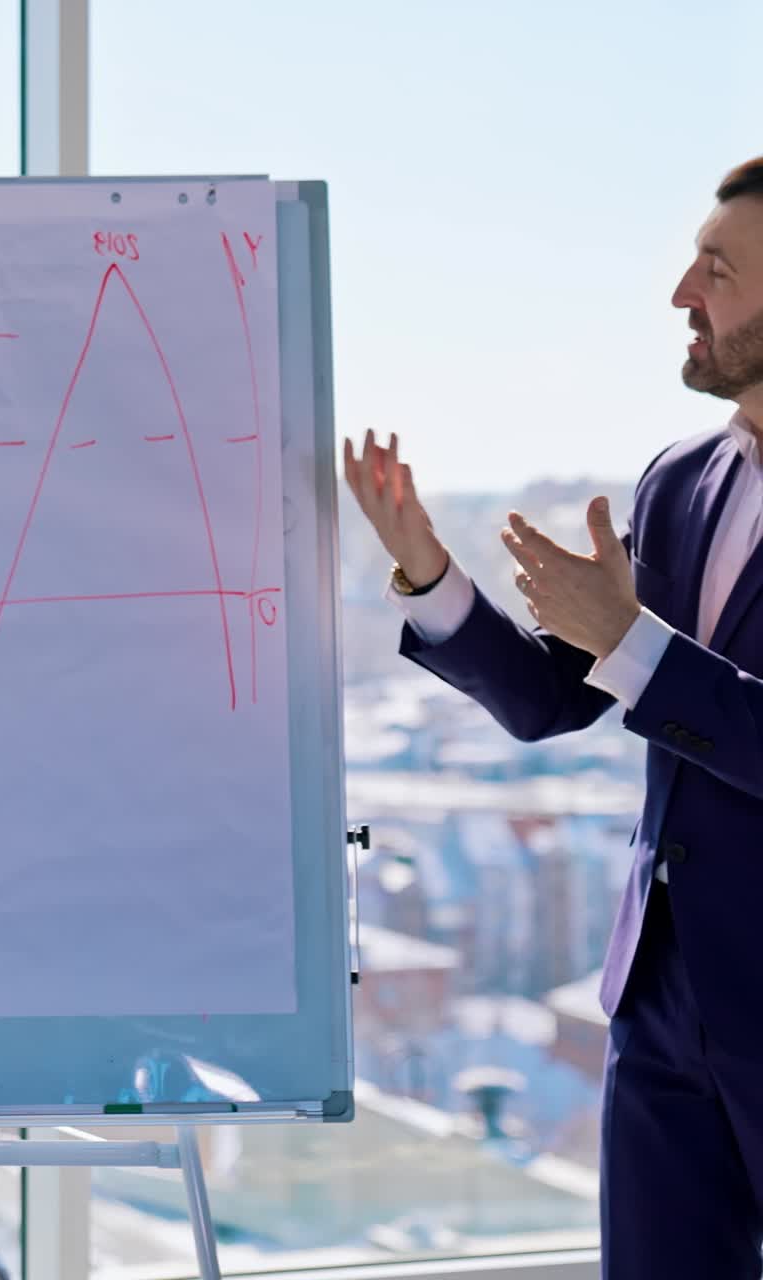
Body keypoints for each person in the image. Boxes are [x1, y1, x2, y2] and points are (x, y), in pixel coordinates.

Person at [344, 154, 763, 1278]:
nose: (680, 293)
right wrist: (428, 573)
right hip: (660, 1006)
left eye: (717, 271)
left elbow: (646, 666)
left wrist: (631, 639)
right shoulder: (681, 480)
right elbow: (549, 700)